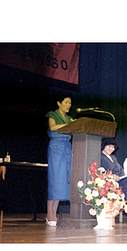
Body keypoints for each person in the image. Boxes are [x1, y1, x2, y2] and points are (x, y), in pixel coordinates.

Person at [45, 93, 74, 226]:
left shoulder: (69, 118)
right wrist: (69, 126)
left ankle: (54, 213)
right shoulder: (52, 114)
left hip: (67, 148)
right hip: (56, 148)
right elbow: (53, 127)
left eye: (70, 103)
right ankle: (49, 214)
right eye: (66, 102)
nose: (69, 105)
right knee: (55, 179)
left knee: (62, 181)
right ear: (59, 103)